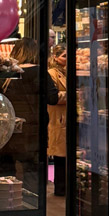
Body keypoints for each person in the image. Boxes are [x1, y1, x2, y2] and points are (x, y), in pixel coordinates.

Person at [0, 37, 58, 194]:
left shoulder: (5, 74)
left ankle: (8, 201)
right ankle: (31, 203)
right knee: (32, 173)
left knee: (6, 173)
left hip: (7, 129)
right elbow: (53, 98)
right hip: (33, 131)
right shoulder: (39, 73)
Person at [47, 44, 67, 196]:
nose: (67, 59)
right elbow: (52, 97)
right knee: (60, 154)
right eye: (64, 56)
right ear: (55, 57)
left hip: (66, 118)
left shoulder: (70, 71)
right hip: (58, 119)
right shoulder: (52, 73)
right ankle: (60, 188)